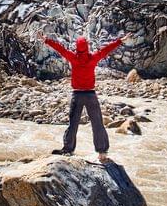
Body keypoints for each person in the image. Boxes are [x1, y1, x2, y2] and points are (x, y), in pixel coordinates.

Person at [38, 31, 131, 163]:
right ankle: (102, 152)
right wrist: (120, 41)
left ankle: (68, 149)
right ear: (87, 47)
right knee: (97, 123)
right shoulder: (93, 58)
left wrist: (47, 40)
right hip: (90, 94)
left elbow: (61, 49)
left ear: (77, 47)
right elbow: (106, 50)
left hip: (77, 94)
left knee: (73, 123)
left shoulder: (73, 58)